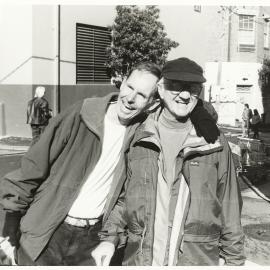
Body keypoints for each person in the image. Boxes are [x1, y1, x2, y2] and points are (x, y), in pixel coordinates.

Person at [0, 62, 218, 266]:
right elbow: (32, 168)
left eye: (141, 95)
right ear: (122, 83)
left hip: (93, 240)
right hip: (47, 230)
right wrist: (10, 229)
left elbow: (196, 108)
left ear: (152, 102)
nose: (130, 98)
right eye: (129, 87)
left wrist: (111, 240)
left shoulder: (143, 134)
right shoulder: (82, 113)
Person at [92, 57, 245, 266]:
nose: (183, 95)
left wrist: (234, 260)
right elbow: (124, 197)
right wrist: (109, 239)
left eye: (191, 88)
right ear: (161, 89)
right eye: (175, 86)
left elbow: (230, 205)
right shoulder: (140, 136)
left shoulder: (213, 141)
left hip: (195, 258)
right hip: (141, 258)